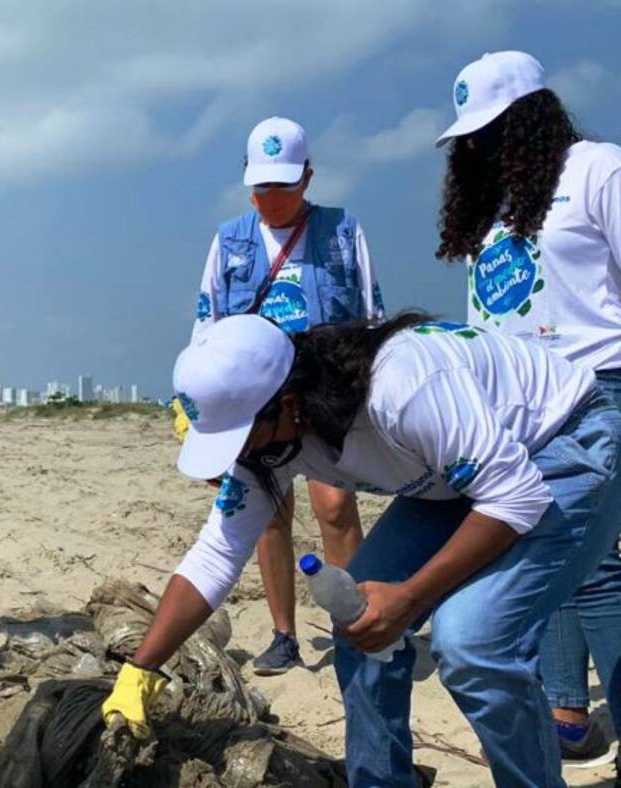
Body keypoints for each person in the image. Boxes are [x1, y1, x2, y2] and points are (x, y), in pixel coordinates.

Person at [102, 313, 621, 787]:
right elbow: (217, 554)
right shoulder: (277, 436)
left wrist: (411, 598)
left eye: (239, 441)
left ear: (287, 406)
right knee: (357, 621)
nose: (235, 460)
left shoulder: (400, 390)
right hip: (457, 480)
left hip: (566, 444)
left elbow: (514, 496)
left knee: (471, 644)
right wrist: (141, 669)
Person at [435, 50, 621, 769]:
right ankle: (566, 713)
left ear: (533, 116)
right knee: (554, 568)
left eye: (492, 129)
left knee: (597, 570)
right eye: (469, 137)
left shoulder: (597, 170)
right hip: (517, 413)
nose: (478, 146)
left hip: (600, 394)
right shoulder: (496, 210)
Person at [192, 116, 384, 675]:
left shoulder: (343, 231)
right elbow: (206, 321)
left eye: (282, 186)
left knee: (334, 505)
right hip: (256, 400)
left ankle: (353, 622)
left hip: (325, 394)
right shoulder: (229, 240)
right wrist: (199, 413)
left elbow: (371, 313)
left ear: (307, 178)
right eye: (260, 187)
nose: (270, 198)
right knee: (268, 510)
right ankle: (283, 635)